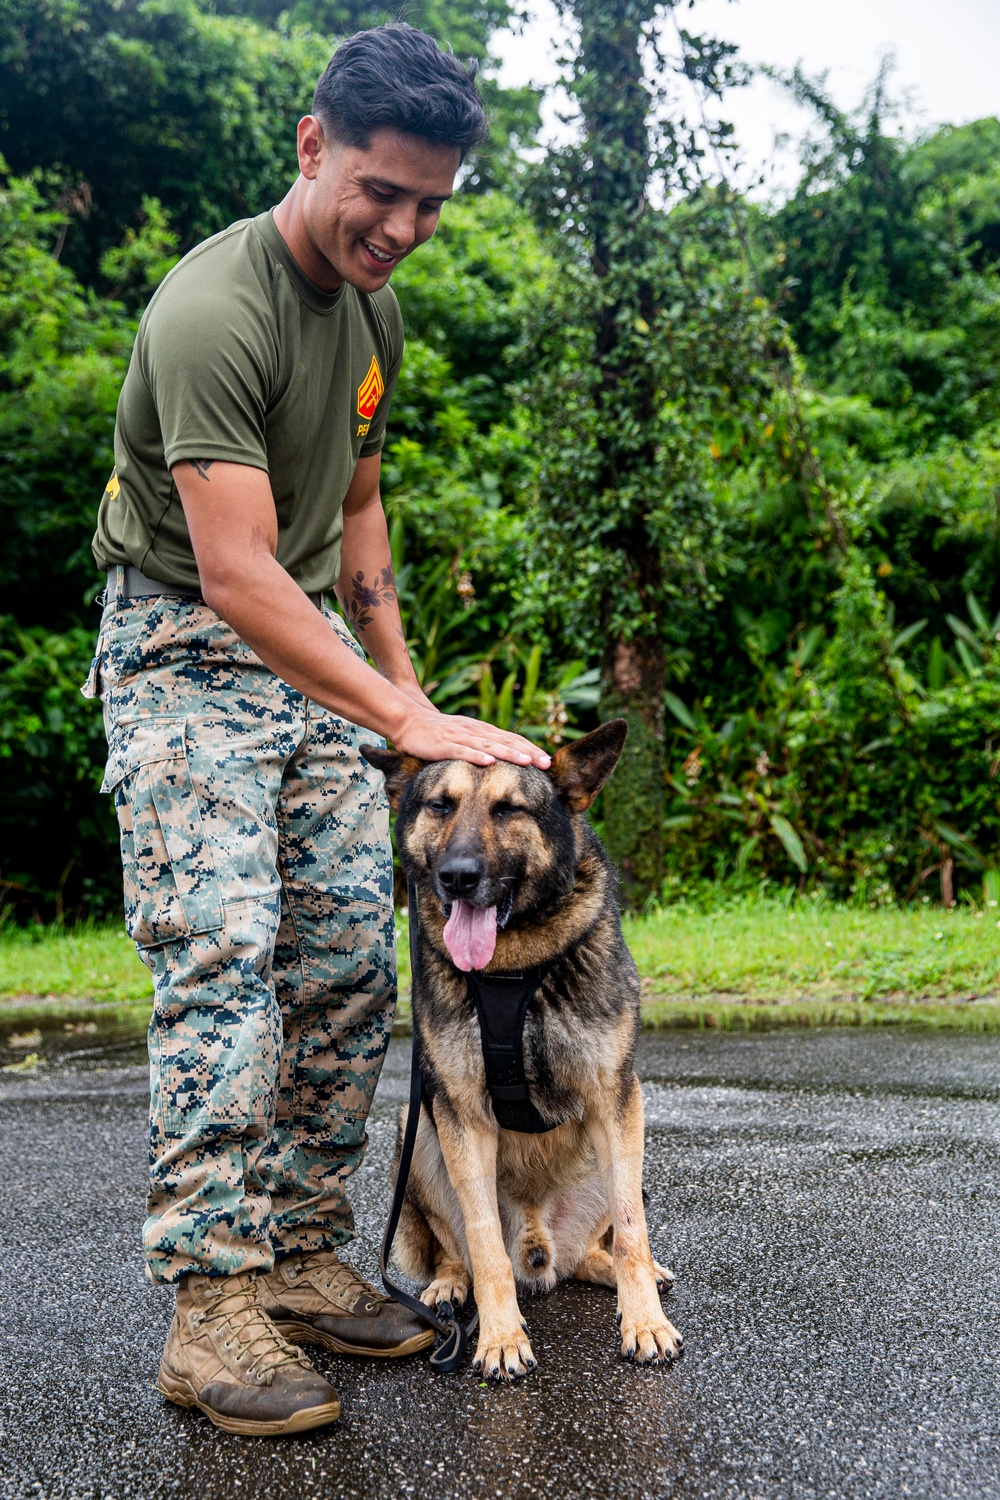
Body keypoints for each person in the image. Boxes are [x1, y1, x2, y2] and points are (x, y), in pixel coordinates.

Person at [83, 23, 551, 1438]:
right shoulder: (211, 310)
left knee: (352, 960)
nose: (402, 228)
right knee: (227, 961)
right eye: (381, 192)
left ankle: (293, 1251)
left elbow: (353, 512)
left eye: (431, 203)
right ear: (312, 147)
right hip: (181, 640)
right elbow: (233, 571)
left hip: (313, 658)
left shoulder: (373, 314)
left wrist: (408, 713)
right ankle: (209, 1306)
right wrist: (398, 707)